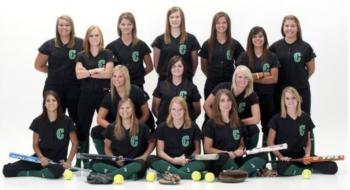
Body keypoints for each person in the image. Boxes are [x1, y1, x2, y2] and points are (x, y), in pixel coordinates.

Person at [3, 90, 78, 178]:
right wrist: (41, 157)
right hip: (40, 159)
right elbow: (35, 144)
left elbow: (75, 143)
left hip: (57, 162)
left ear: (58, 103)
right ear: (44, 104)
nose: (51, 103)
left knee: (56, 171)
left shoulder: (67, 121)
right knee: (7, 170)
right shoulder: (37, 121)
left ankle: (35, 173)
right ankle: (41, 172)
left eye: (54, 100)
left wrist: (69, 161)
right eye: (48, 100)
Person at [267, 87, 337, 176]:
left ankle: (301, 169)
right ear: (283, 101)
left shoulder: (305, 118)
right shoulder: (276, 119)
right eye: (287, 98)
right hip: (286, 159)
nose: (290, 101)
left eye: (293, 98)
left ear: (298, 99)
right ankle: (304, 170)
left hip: (302, 157)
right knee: (282, 170)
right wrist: (281, 157)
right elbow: (270, 143)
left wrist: (307, 155)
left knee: (333, 167)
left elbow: (308, 142)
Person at [91, 65, 154, 154]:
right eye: (114, 76)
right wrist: (114, 128)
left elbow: (146, 114)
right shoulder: (110, 96)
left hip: (137, 125)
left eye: (120, 76)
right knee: (96, 131)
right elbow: (100, 119)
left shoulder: (136, 91)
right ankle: (106, 158)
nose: (117, 79)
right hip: (120, 126)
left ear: (126, 78)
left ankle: (138, 156)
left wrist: (135, 127)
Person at [75, 25, 114, 168]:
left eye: (97, 35)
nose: (94, 38)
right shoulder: (81, 55)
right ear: (87, 38)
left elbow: (108, 73)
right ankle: (81, 159)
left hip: (103, 96)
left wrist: (88, 72)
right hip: (85, 96)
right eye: (91, 36)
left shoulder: (107, 53)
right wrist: (96, 70)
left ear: (101, 37)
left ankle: (107, 156)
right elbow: (78, 75)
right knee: (82, 127)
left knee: (105, 125)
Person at [202, 89, 265, 177]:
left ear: (232, 103)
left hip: (236, 159)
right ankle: (245, 171)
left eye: (228, 100)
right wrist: (227, 153)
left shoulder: (238, 122)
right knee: (223, 156)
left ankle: (237, 173)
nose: (226, 103)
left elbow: (241, 144)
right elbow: (207, 149)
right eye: (222, 101)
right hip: (219, 161)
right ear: (217, 104)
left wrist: (240, 150)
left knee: (262, 155)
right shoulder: (210, 124)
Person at [34, 15, 83, 125]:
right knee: (53, 119)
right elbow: (38, 65)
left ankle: (77, 142)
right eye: (61, 25)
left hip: (75, 88)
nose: (64, 27)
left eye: (67, 25)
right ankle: (52, 142)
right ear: (57, 27)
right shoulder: (49, 45)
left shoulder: (81, 44)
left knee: (77, 119)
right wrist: (54, 72)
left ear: (72, 27)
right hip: (54, 88)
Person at [90, 98, 155, 179]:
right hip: (118, 162)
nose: (125, 110)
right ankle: (128, 174)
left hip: (134, 162)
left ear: (133, 109)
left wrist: (144, 156)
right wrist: (114, 159)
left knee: (140, 164)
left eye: (128, 108)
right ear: (118, 110)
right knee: (94, 162)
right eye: (122, 108)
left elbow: (152, 143)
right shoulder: (111, 127)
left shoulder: (142, 127)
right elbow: (107, 148)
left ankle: (109, 176)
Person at [236, 26, 280, 145]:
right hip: (248, 96)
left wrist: (251, 77)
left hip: (267, 95)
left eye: (260, 36)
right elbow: (239, 77)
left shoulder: (271, 56)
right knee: (248, 125)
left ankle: (270, 155)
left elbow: (274, 78)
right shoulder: (244, 56)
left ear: (265, 38)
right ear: (250, 39)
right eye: (254, 36)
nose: (258, 39)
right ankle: (246, 151)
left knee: (268, 126)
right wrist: (262, 74)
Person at [148, 96, 205, 179]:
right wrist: (173, 160)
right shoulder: (162, 127)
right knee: (150, 159)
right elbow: (160, 152)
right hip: (168, 161)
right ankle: (185, 175)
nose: (176, 112)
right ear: (170, 110)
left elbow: (197, 150)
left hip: (186, 162)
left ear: (185, 111)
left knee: (204, 161)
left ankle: (169, 173)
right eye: (173, 109)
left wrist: (185, 159)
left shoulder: (194, 127)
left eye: (180, 109)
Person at [204, 65, 260, 149]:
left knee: (254, 129)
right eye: (240, 77)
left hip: (237, 124)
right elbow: (206, 105)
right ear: (235, 77)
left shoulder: (251, 94)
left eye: (246, 77)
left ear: (249, 80)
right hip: (221, 122)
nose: (243, 80)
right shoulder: (223, 87)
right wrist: (217, 121)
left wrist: (236, 124)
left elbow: (256, 118)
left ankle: (248, 155)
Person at [269, 15, 315, 115]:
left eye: (293, 26)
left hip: (301, 90)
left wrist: (299, 79)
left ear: (297, 28)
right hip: (280, 91)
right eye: (287, 26)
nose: (289, 28)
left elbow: (311, 69)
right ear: (283, 28)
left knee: (303, 118)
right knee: (281, 120)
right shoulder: (274, 47)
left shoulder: (305, 47)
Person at [199, 11, 244, 99]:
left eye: (224, 22)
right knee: (211, 110)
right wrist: (212, 76)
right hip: (211, 85)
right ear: (214, 25)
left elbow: (242, 64)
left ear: (228, 24)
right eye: (218, 23)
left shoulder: (234, 44)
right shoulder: (207, 44)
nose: (221, 25)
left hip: (230, 84)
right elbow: (203, 66)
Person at [152, 6, 200, 82]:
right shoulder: (159, 40)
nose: (174, 20)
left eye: (177, 17)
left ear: (182, 19)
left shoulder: (191, 39)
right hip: (165, 81)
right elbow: (156, 64)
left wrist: (186, 77)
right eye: (172, 17)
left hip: (185, 81)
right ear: (168, 19)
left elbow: (195, 63)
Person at [106, 12, 153, 89]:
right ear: (119, 26)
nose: (126, 27)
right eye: (123, 24)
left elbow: (150, 67)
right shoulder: (111, 47)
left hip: (137, 85)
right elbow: (108, 69)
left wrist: (139, 75)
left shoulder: (141, 45)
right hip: (119, 86)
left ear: (133, 26)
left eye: (129, 24)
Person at [152, 56, 201, 124]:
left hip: (184, 126)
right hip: (165, 125)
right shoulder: (161, 86)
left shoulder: (191, 87)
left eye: (179, 66)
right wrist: (163, 121)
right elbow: (155, 108)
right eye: (174, 66)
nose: (177, 68)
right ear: (170, 69)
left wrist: (186, 122)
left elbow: (197, 111)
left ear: (184, 68)